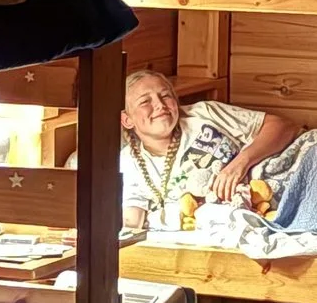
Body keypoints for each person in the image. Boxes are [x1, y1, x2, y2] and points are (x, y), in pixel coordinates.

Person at [116, 69, 301, 235]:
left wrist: (240, 163)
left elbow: (284, 126)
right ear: (127, 120)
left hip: (298, 162)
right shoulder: (128, 163)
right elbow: (131, 220)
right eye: (145, 101)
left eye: (165, 96)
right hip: (262, 209)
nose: (160, 105)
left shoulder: (203, 113)